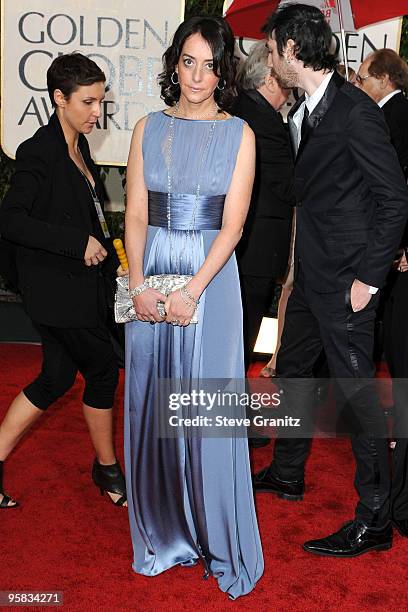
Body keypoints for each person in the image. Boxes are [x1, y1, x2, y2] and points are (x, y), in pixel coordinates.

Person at [253, 4, 408, 557]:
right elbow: (311, 190)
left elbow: (395, 199)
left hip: (347, 284)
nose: (270, 60)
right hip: (312, 278)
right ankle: (288, 472)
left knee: (356, 396)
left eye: (272, 50)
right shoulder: (308, 109)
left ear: (293, 49)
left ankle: (375, 520)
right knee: (294, 370)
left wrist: (369, 278)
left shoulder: (355, 113)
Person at [124, 16, 263, 599]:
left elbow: (232, 228)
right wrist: (137, 286)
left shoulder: (241, 134)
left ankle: (215, 533)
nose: (198, 75)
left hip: (210, 279)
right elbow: (133, 215)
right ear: (173, 64)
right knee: (151, 401)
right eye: (188, 61)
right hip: (150, 273)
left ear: (223, 70)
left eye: (210, 64)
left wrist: (191, 292)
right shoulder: (146, 128)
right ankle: (162, 532)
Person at [0, 53, 127, 509]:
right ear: (59, 98)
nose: (98, 111)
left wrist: (113, 256)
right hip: (56, 291)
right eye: (89, 102)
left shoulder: (80, 147)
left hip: (78, 287)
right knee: (99, 371)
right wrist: (77, 242)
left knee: (55, 378)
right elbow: (11, 221)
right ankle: (108, 469)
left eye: (100, 101)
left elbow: (90, 213)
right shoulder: (41, 150)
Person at [356, 48, 408, 538]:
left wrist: (399, 246)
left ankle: (398, 504)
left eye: (362, 74)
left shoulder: (395, 118)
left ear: (383, 78)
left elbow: (394, 192)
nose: (356, 80)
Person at [233, 41, 295, 372]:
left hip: (244, 248)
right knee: (242, 338)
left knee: (236, 337)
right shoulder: (265, 123)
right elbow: (289, 187)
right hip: (254, 251)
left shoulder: (243, 109)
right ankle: (228, 418)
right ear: (269, 78)